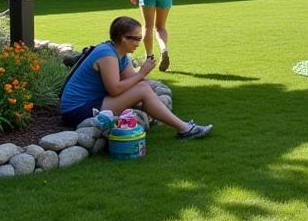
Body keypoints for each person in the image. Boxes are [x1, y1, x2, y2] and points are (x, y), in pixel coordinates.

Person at [59, 15, 212, 138]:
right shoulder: (106, 54)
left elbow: (133, 80)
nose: (139, 42)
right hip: (76, 111)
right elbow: (115, 89)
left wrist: (143, 79)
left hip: (93, 102)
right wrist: (142, 74)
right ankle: (184, 128)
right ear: (123, 38)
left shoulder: (120, 53)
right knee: (143, 89)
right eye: (136, 38)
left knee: (144, 87)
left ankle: (178, 124)